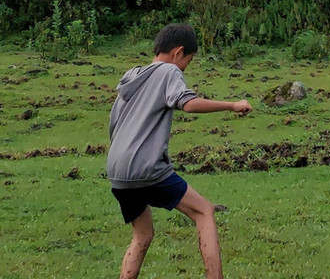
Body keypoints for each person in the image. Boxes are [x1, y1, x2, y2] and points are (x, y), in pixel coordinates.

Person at [107, 22, 252, 279]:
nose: (186, 66)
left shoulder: (132, 76)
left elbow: (114, 125)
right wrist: (232, 105)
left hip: (117, 172)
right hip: (146, 168)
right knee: (204, 211)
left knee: (142, 235)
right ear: (178, 52)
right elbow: (188, 104)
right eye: (189, 60)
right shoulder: (168, 72)